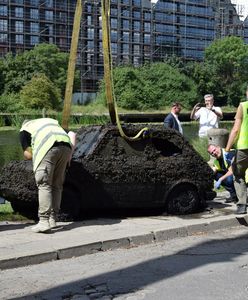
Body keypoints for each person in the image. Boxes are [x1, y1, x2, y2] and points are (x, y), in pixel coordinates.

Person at [19, 118, 76, 232]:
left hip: (48, 146)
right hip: (66, 147)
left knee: (44, 183)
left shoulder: (24, 129)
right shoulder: (49, 122)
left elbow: (28, 155)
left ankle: (44, 222)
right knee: (57, 185)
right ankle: (52, 219)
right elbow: (72, 134)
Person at [225, 86, 248, 215]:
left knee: (238, 174)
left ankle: (242, 205)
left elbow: (235, 130)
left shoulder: (243, 106)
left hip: (244, 148)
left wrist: (227, 148)